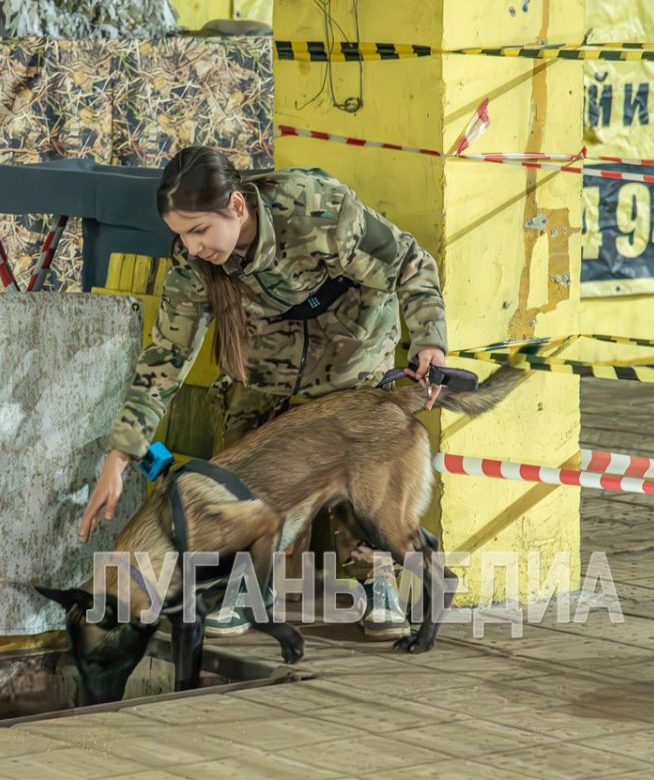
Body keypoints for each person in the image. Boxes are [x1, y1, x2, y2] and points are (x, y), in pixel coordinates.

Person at [79, 145, 448, 640]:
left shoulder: (316, 208)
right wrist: (120, 457)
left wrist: (429, 341)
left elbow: (409, 263)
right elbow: (165, 357)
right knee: (235, 467)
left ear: (236, 206)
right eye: (181, 235)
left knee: (356, 461)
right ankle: (247, 584)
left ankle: (377, 579)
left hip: (349, 349)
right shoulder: (194, 264)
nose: (190, 247)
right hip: (266, 363)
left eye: (198, 230)